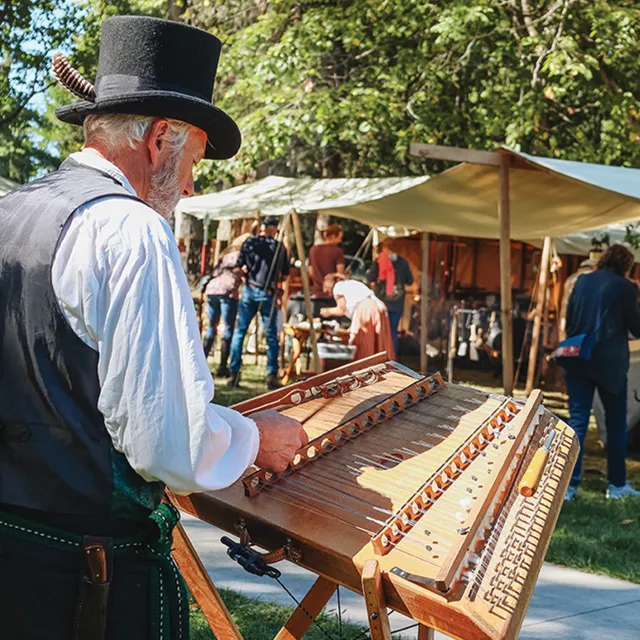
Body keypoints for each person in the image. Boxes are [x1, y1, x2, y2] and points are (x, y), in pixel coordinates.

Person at [0, 17, 307, 640]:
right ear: (161, 137)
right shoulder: (132, 230)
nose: (191, 183)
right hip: (84, 584)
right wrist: (254, 439)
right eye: (194, 157)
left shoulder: (9, 210)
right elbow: (167, 439)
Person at [562, 244, 640, 502]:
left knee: (578, 422)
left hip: (577, 358)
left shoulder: (581, 282)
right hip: (610, 364)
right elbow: (637, 328)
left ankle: (569, 486)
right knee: (615, 424)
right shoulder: (625, 287)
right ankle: (616, 485)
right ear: (626, 265)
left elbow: (570, 318)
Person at [228, 216, 290, 389]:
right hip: (267, 293)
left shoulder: (250, 243)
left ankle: (234, 372)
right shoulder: (278, 247)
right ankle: (271, 374)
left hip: (250, 290)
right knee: (270, 335)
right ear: (274, 229)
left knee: (240, 332)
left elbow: (240, 268)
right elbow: (285, 275)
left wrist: (247, 277)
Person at [321, 273, 395, 360]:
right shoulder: (350, 283)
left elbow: (342, 309)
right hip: (378, 308)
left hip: (366, 309)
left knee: (362, 344)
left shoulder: (338, 287)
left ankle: (364, 368)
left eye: (327, 291)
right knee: (379, 343)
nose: (328, 294)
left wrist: (327, 311)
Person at [203, 237, 246, 377]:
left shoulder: (225, 254)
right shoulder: (242, 255)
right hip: (228, 291)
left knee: (211, 327)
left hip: (212, 290)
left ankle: (201, 363)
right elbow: (243, 273)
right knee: (228, 328)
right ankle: (222, 366)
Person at [367, 239, 414, 356]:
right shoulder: (403, 262)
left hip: (380, 302)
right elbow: (410, 281)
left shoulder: (378, 261)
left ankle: (376, 357)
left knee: (379, 331)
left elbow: (369, 278)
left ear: (383, 248)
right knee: (393, 332)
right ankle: (392, 358)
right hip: (397, 302)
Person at [308, 223, 345, 316]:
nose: (340, 241)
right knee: (332, 326)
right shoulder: (337, 251)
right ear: (333, 236)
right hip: (332, 294)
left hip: (316, 293)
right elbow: (340, 273)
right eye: (339, 237)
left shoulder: (313, 250)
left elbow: (311, 272)